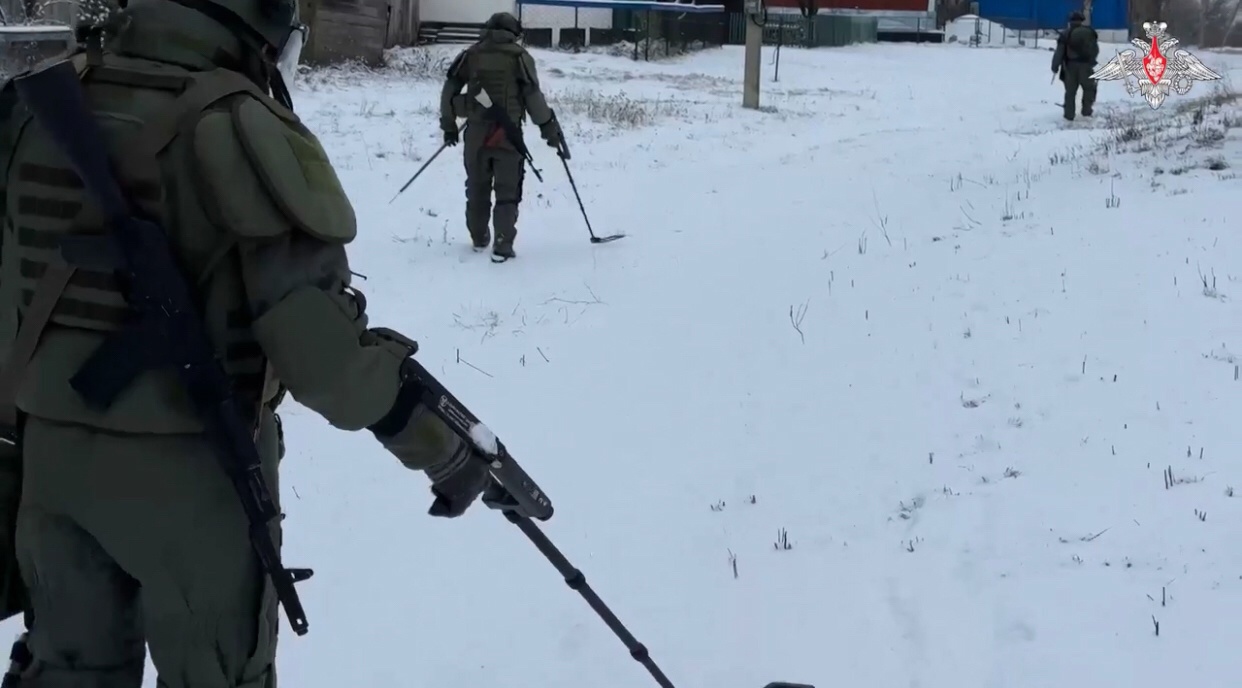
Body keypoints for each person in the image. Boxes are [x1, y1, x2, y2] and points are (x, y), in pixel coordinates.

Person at [0, 0, 494, 685]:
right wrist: (440, 448)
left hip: (49, 468)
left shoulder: (34, 111)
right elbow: (327, 367)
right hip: (193, 478)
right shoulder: (239, 127)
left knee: (67, 670)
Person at [439, 11, 563, 263]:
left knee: (477, 186)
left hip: (475, 134)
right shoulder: (519, 57)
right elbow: (533, 98)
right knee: (508, 191)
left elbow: (449, 90)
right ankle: (503, 244)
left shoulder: (470, 55)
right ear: (514, 33)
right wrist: (549, 130)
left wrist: (449, 126)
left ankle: (478, 237)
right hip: (507, 135)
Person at [1051, 10, 1100, 121]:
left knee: (1070, 91)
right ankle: (1087, 111)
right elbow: (1095, 49)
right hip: (1086, 66)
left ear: (1070, 21)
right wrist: (1091, 61)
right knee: (1088, 89)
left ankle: (1069, 115)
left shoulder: (1065, 34)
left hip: (1070, 66)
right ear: (1081, 21)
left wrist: (1055, 66)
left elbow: (1059, 52)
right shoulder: (1089, 32)